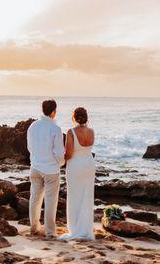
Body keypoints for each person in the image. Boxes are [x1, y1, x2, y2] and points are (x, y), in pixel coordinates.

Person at [26, 99, 65, 238]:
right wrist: (60, 163)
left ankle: (34, 228)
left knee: (35, 199)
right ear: (54, 112)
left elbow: (29, 147)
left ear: (43, 110)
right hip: (50, 170)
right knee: (50, 201)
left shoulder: (32, 126)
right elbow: (59, 153)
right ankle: (50, 232)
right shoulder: (56, 129)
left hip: (35, 167)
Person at [58, 107, 96, 241]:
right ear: (86, 117)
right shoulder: (91, 131)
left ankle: (75, 229)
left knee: (75, 196)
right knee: (87, 196)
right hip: (89, 165)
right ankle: (86, 228)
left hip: (76, 166)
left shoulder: (71, 132)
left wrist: (59, 159)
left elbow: (69, 154)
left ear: (74, 118)